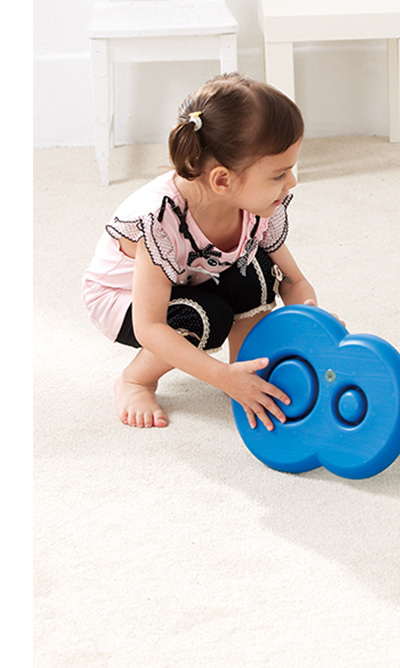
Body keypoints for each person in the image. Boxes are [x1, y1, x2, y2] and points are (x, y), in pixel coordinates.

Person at [82, 73, 324, 431]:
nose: (292, 182)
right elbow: (149, 327)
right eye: (279, 175)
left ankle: (246, 366)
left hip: (191, 277)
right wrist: (219, 375)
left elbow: (293, 280)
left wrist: (315, 325)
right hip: (125, 300)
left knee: (256, 270)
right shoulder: (160, 221)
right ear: (222, 180)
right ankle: (136, 380)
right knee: (207, 316)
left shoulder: (257, 206)